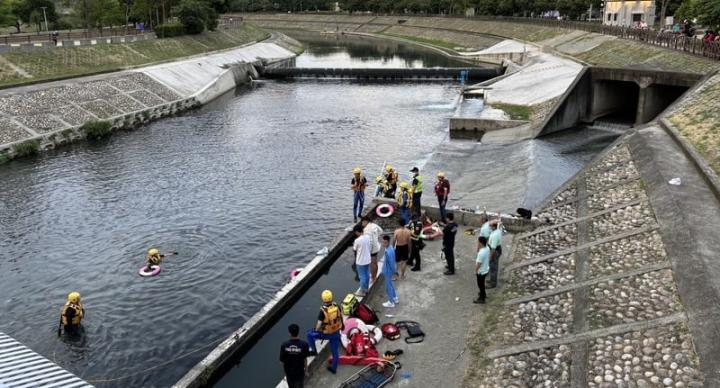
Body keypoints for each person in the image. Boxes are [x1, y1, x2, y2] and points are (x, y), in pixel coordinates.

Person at [307, 290, 343, 374]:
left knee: (309, 334)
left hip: (326, 333)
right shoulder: (337, 306)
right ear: (331, 297)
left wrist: (315, 330)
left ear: (323, 299)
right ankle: (333, 368)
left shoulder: (323, 311)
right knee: (335, 352)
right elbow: (340, 316)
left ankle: (314, 351)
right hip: (336, 333)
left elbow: (319, 324)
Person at [280, 324, 309, 388]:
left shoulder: (284, 345)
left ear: (290, 333)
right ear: (298, 332)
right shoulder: (304, 345)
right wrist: (306, 371)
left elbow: (282, 361)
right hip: (299, 373)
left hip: (289, 373)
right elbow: (305, 359)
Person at [362, 217, 383, 283]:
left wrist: (368, 251)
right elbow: (381, 231)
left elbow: (369, 241)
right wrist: (376, 237)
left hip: (372, 249)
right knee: (375, 262)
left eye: (362, 222)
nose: (362, 224)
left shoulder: (366, 230)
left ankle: (373, 278)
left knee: (372, 263)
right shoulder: (374, 225)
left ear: (365, 221)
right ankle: (375, 275)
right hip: (377, 246)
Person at [353, 224, 372, 296]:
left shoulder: (357, 240)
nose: (355, 233)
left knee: (362, 276)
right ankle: (366, 289)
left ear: (357, 232)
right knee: (367, 274)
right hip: (367, 259)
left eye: (355, 232)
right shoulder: (368, 237)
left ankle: (362, 291)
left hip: (360, 261)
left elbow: (355, 249)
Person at [380, 235, 399, 308]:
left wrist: (395, 272)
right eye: (382, 242)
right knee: (391, 285)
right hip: (389, 270)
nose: (383, 244)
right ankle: (395, 298)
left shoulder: (388, 252)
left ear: (388, 242)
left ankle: (391, 302)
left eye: (385, 243)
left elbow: (391, 263)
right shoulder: (390, 248)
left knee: (388, 287)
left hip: (388, 271)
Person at [487, 220, 503, 289]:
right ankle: (491, 280)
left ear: (493, 226)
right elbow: (499, 222)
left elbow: (493, 249)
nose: (489, 227)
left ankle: (493, 283)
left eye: (490, 226)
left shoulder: (495, 235)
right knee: (493, 266)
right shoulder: (498, 230)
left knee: (493, 267)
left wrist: (490, 258)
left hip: (494, 251)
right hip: (497, 249)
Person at [474, 236, 490, 304]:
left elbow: (478, 264)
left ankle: (482, 298)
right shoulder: (487, 248)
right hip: (486, 269)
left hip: (481, 271)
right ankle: (483, 294)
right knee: (482, 284)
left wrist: (476, 271)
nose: (477, 243)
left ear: (481, 243)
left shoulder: (481, 253)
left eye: (478, 242)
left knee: (480, 285)